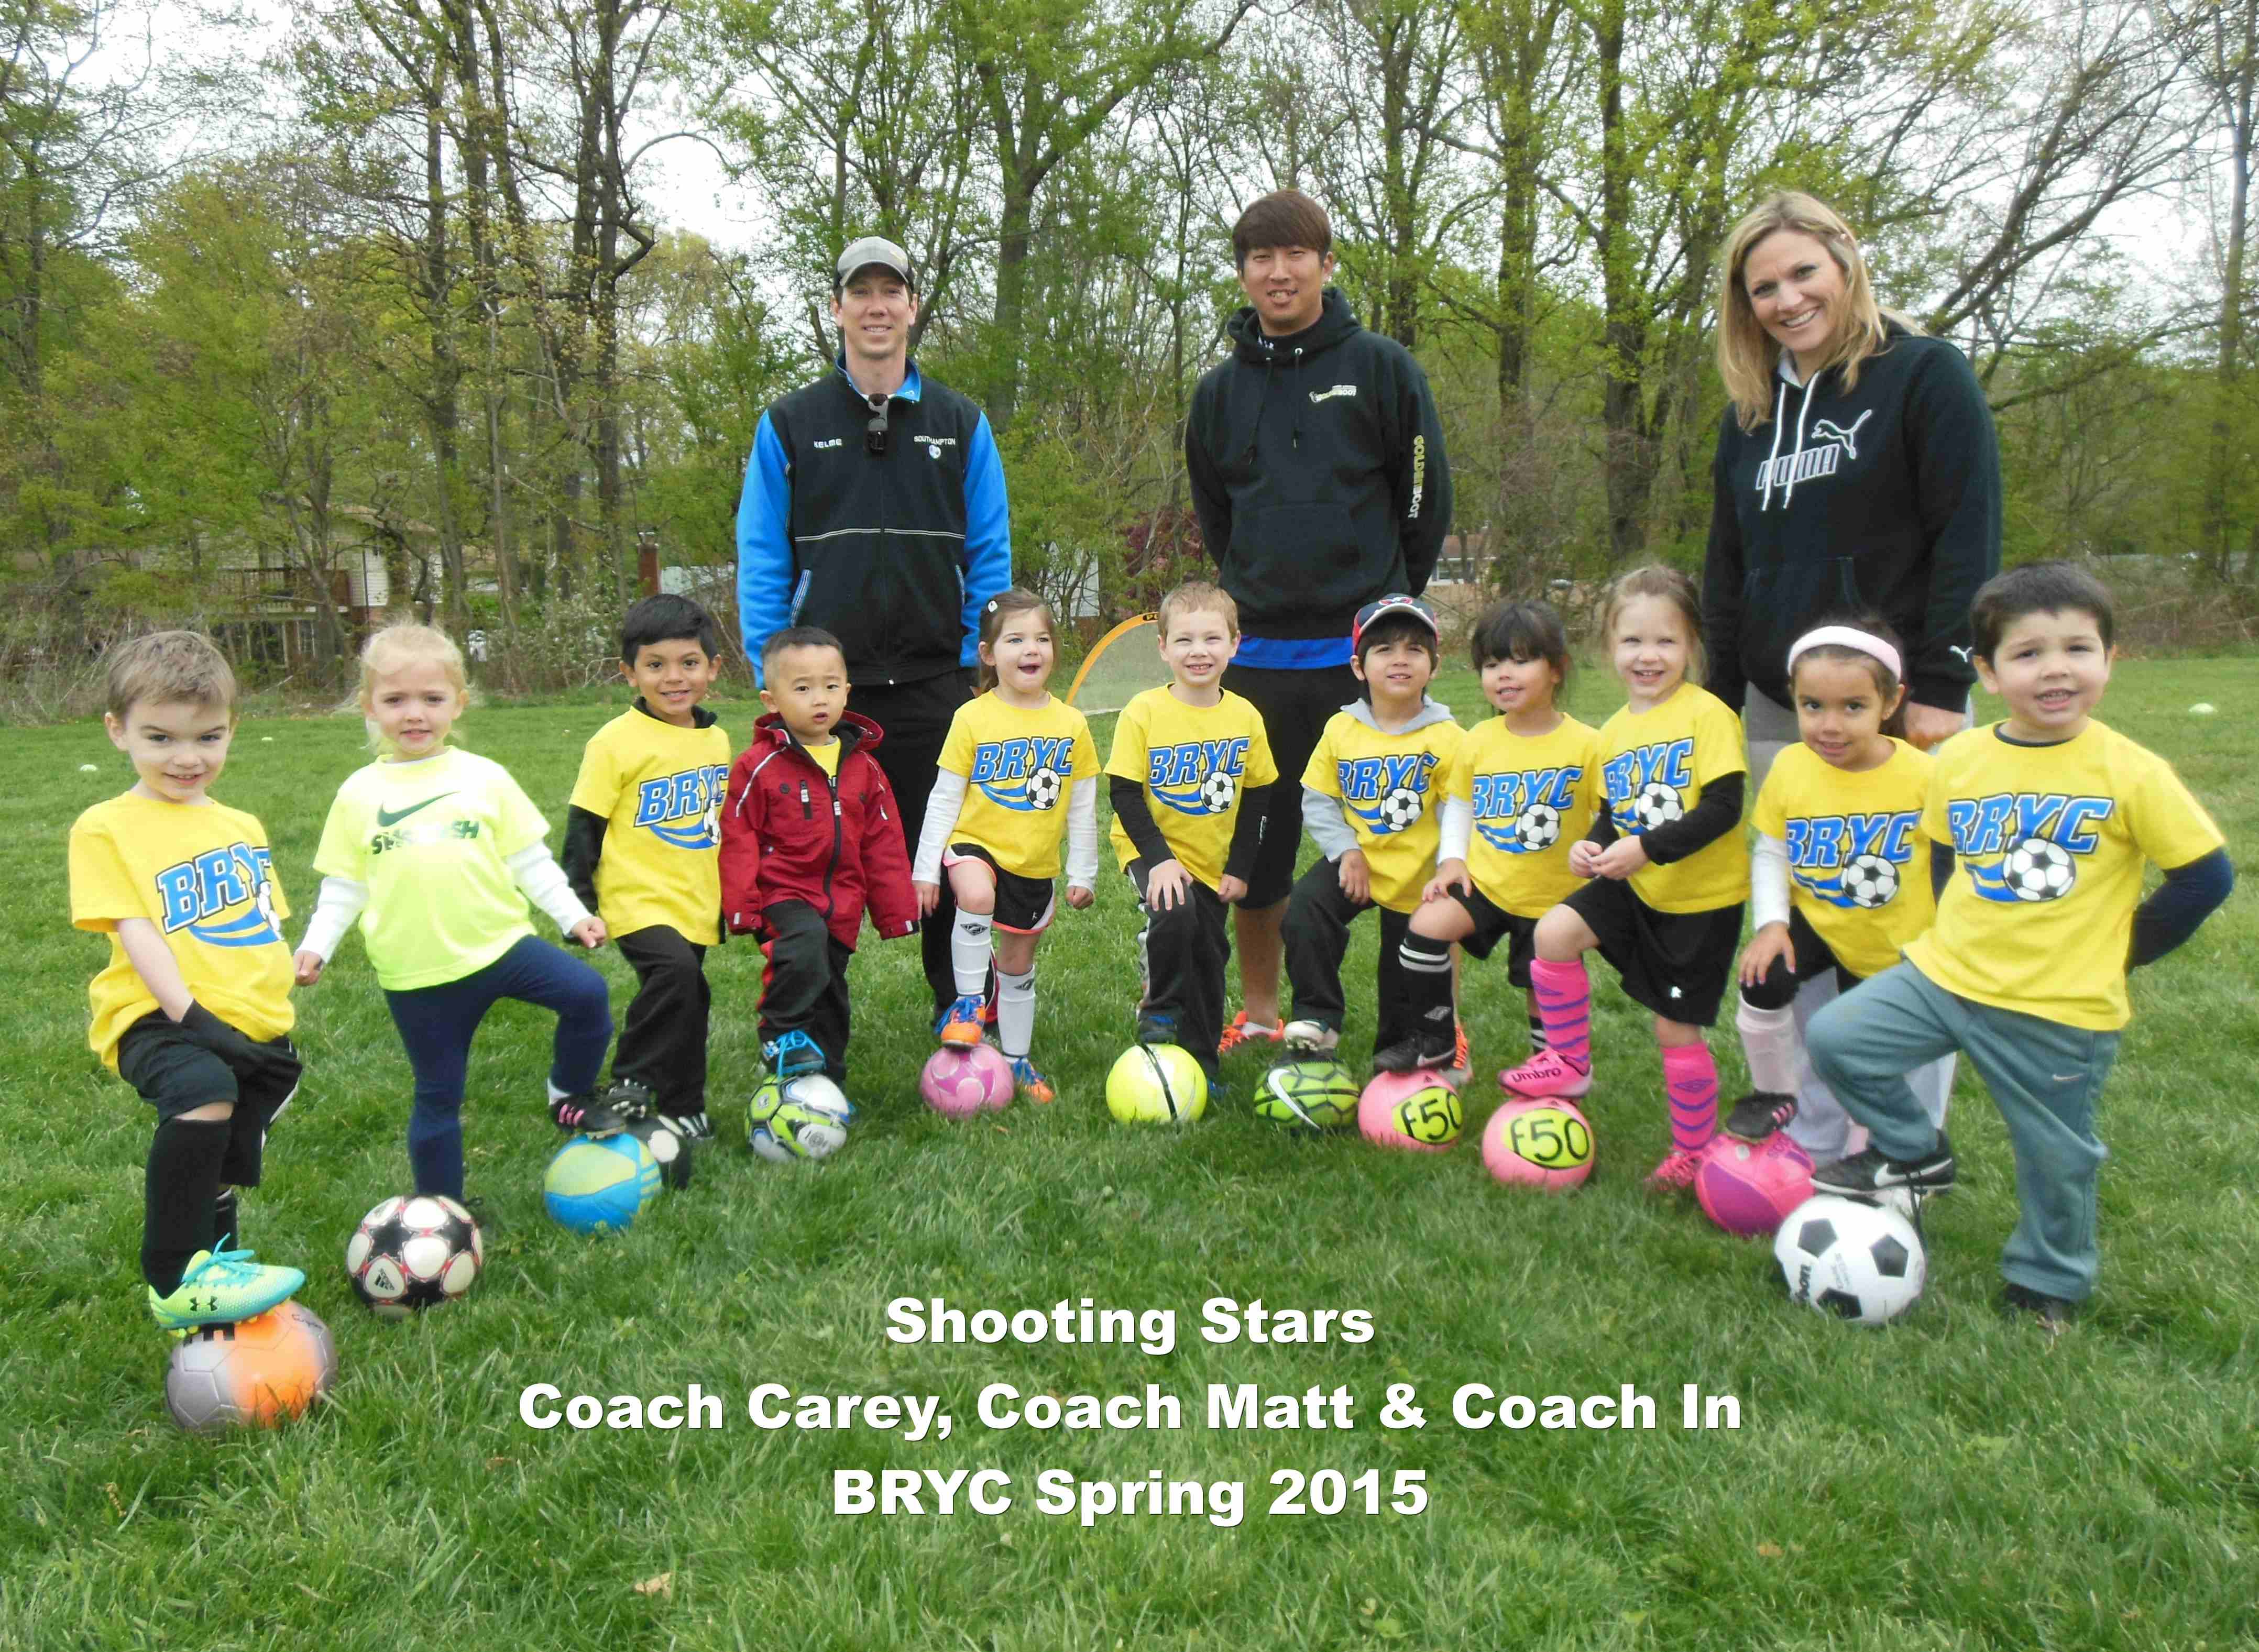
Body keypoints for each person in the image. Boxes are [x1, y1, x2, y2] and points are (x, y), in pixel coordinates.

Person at [1808, 562, 2233, 1328]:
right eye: (2029, 653)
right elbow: (1942, 853)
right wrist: (1950, 934)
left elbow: (2207, 878)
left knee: (2055, 1155)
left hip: (2057, 1005)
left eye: (2078, 648)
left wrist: (2121, 951)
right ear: (1989, 672)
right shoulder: (1961, 759)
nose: (2056, 669)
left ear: (2112, 659)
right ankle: (1915, 1150)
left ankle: (2049, 1281)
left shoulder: (2132, 772)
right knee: (1838, 1035)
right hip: (1947, 978)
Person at [1185, 188, 1452, 1059]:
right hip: (1258, 656)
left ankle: (1428, 1024)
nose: (1278, 271)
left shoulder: (1381, 367)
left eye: (1295, 253)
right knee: (1257, 846)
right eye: (1260, 257)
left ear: (1326, 264)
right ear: (1243, 273)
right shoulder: (1218, 393)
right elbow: (1216, 516)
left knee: (1399, 843)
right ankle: (1263, 1009)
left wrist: (1384, 618)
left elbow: (1424, 499)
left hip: (1359, 657)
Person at [736, 233, 1011, 1025]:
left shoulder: (961, 423)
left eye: (893, 291)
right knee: (815, 863)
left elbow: (989, 551)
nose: (878, 306)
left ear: (914, 307)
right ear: (838, 308)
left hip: (936, 680)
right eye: (862, 292)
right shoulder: (790, 424)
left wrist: (980, 654)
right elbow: (761, 554)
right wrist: (775, 667)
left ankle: (965, 1006)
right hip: (827, 692)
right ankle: (812, 1027)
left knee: (955, 854)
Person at [294, 625, 615, 1205]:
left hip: (502, 948)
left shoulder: (484, 777)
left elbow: (530, 860)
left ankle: (567, 1093)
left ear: (458, 704)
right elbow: (344, 884)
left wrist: (573, 916)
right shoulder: (359, 793)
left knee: (588, 995)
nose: (414, 714)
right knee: (439, 1095)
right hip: (419, 974)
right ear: (370, 708)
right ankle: (442, 1213)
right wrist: (317, 945)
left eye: (432, 699)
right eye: (395, 701)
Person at [1702, 191, 2001, 787]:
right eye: (1764, 289)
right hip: (1778, 700)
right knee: (1793, 868)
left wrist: (1943, 683)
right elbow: (1727, 566)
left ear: (1845, 262)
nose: (1788, 301)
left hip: (1895, 695)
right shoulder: (1747, 416)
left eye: (1803, 272)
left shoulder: (1924, 373)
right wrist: (1717, 698)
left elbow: (1967, 536)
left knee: (1911, 871)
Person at [68, 631, 307, 1332]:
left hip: (253, 1019)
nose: (187, 757)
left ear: (233, 729)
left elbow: (261, 921)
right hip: (159, 1013)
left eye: (208, 736)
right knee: (204, 1094)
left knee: (227, 1152)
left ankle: (219, 1264)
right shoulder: (106, 825)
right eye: (161, 737)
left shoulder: (241, 824)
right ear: (118, 732)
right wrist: (196, 1019)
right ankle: (174, 1278)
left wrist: (279, 985)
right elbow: (136, 930)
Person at [1498, 568, 1751, 1193]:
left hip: (1698, 900)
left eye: (1666, 641)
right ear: (1609, 647)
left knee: (1674, 1029)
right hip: (1633, 882)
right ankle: (1569, 1062)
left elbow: (1723, 809)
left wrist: (1645, 849)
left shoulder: (1708, 715)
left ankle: (1692, 1149)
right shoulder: (1612, 732)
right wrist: (1597, 846)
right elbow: (1616, 816)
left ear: (1692, 645)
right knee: (1552, 935)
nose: (1648, 656)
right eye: (1632, 641)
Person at [1728, 615, 1952, 1165]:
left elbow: (1955, 868)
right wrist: (1772, 924)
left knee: (1877, 1051)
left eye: (1852, 707)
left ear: (1891, 701)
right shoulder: (1789, 767)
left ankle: (1886, 1148)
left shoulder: (1926, 777)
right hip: (1821, 923)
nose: (1829, 725)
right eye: (1812, 706)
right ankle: (1778, 1096)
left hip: (1895, 945)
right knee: (1763, 980)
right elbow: (1771, 848)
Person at [1378, 599, 1597, 1074]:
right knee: (1425, 930)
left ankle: (1555, 1065)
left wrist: (1601, 858)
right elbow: (1461, 802)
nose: (1504, 674)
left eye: (1521, 660)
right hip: (1489, 886)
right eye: (1493, 664)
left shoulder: (1588, 745)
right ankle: (1436, 1038)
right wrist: (1452, 861)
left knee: (1543, 986)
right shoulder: (1479, 738)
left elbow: (1608, 814)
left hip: (1553, 901)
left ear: (1557, 669)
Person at [912, 589, 1101, 1104]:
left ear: (1054, 651)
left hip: (1034, 864)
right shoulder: (972, 718)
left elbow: (1083, 805)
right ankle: (968, 1006)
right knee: (974, 895)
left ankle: (1017, 1058)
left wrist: (1083, 872)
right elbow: (944, 796)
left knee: (1018, 967)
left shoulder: (1071, 725)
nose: (1030, 649)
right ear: (990, 655)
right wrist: (926, 870)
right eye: (1015, 639)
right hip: (976, 845)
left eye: (1041, 638)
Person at [562, 594, 732, 1139]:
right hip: (634, 899)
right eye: (655, 665)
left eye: (688, 663)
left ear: (713, 668)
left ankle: (684, 1103)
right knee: (674, 976)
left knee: (691, 997)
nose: (673, 677)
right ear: (629, 672)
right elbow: (583, 825)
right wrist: (578, 905)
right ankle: (633, 1078)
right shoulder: (614, 742)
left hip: (696, 900)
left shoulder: (717, 740)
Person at [718, 626, 919, 1086]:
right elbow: (738, 835)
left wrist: (895, 913)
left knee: (831, 989)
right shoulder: (759, 766)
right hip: (783, 894)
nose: (819, 698)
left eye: (831, 686)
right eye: (803, 688)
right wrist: (741, 906)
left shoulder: (863, 767)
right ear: (772, 701)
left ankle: (827, 1079)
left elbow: (883, 844)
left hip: (842, 902)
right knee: (804, 948)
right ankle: (780, 1030)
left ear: (847, 690)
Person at [1103, 581, 1278, 1096]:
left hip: (1211, 859)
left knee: (1210, 955)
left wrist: (1240, 868)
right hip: (1150, 849)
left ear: (1234, 644)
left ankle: (1202, 1062)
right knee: (1175, 914)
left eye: (1210, 638)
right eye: (1183, 640)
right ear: (1162, 648)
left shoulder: (1245, 717)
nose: (1198, 651)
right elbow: (1125, 793)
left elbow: (1258, 795)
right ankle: (1158, 1009)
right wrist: (1157, 860)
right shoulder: (1144, 710)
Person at [1278, 595, 1466, 1065]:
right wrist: (1346, 853)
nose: (1400, 659)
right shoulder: (1342, 729)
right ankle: (1317, 1020)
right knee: (1306, 908)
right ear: (1359, 667)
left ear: (1435, 666)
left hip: (1419, 878)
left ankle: (1404, 1048)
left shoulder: (1449, 738)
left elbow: (1459, 812)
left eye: (1414, 650)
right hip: (1359, 863)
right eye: (1384, 649)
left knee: (1403, 966)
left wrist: (1447, 869)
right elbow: (1319, 798)